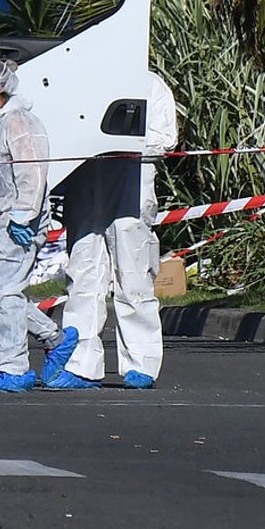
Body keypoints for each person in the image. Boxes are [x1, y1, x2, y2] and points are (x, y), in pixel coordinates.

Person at [50, 69, 178, 390]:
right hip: (87, 177)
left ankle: (141, 362)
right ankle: (80, 363)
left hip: (131, 178)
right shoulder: (81, 79)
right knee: (83, 271)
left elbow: (165, 138)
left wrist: (124, 144)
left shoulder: (149, 84)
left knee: (132, 272)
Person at [0, 58, 77, 393]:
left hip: (19, 225)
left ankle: (13, 369)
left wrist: (23, 215)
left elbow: (33, 175)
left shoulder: (21, 124)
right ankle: (54, 338)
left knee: (6, 292)